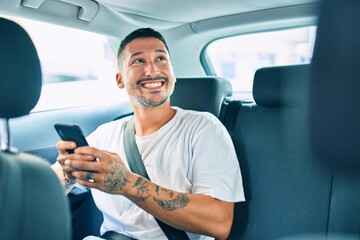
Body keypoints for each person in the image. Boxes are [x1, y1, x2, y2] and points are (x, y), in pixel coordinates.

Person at [52, 28, 245, 240]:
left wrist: (127, 183)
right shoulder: (104, 135)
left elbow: (219, 223)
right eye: (138, 61)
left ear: (172, 72)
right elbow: (45, 190)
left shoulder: (204, 128)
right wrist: (68, 174)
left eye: (161, 58)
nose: (153, 70)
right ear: (120, 79)